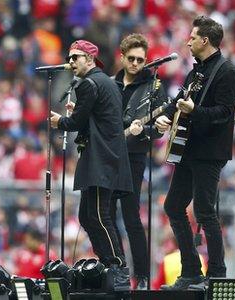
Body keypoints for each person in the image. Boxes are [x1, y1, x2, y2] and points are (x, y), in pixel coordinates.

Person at [154, 15, 235, 290]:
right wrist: (165, 117)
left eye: (192, 37)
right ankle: (191, 269)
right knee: (173, 206)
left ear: (205, 40)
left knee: (205, 211)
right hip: (188, 149)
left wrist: (195, 111)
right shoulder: (197, 72)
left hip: (209, 152)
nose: (188, 41)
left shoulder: (227, 72)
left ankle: (217, 274)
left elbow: (225, 114)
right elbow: (180, 99)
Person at [50, 39, 133, 290]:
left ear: (89, 59)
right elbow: (98, 117)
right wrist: (80, 112)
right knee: (87, 215)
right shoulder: (104, 82)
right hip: (106, 156)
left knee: (98, 215)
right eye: (70, 57)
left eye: (75, 57)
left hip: (100, 157)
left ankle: (117, 266)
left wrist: (59, 122)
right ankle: (108, 263)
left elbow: (75, 123)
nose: (71, 62)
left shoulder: (88, 83)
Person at [111, 33, 168, 290]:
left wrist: (143, 131)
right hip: (109, 155)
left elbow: (159, 127)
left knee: (131, 215)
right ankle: (117, 269)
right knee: (106, 215)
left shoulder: (153, 85)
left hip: (134, 156)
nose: (135, 64)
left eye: (140, 60)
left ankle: (142, 276)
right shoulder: (111, 84)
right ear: (122, 58)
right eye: (131, 59)